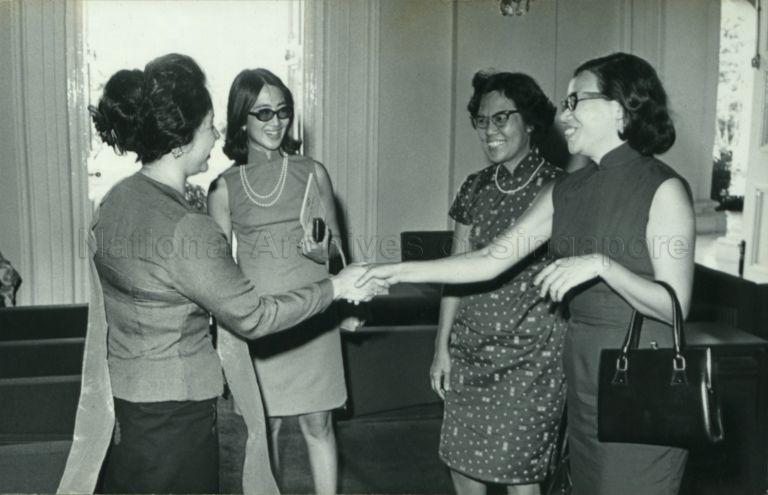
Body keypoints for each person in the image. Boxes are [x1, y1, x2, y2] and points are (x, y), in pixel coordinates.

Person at [358, 52, 695, 495]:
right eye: (566, 101)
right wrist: (391, 270)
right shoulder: (568, 190)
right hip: (582, 376)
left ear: (619, 108)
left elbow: (675, 307)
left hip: (640, 379)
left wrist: (602, 266)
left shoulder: (662, 187)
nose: (565, 113)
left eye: (577, 101)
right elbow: (486, 259)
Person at [57, 54, 377, 495]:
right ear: (184, 138)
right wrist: (336, 286)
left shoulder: (115, 201)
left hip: (128, 402)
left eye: (283, 111)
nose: (215, 136)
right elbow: (252, 316)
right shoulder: (190, 222)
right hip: (178, 405)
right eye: (210, 126)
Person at [207, 68, 345, 495]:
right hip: (263, 324)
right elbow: (218, 277)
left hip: (315, 317)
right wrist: (221, 343)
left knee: (318, 424)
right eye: (263, 113)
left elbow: (340, 258)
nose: (276, 122)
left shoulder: (313, 172)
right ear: (241, 120)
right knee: (264, 432)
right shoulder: (224, 188)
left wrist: (322, 250)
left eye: (282, 111)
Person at [431, 71, 566, 495]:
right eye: (482, 120)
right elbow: (456, 270)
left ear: (529, 121)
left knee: (519, 478)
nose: (490, 130)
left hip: (530, 360)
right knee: (462, 468)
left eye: (502, 118)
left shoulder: (559, 187)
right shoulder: (475, 186)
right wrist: (441, 348)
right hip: (470, 355)